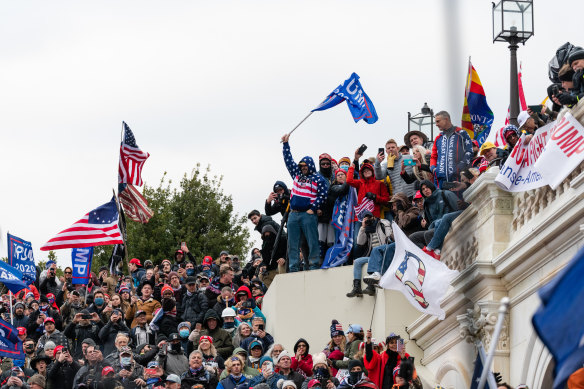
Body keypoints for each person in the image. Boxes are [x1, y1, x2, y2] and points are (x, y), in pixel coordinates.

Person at [281, 133, 329, 272]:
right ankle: (294, 267)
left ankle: (314, 265)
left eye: (305, 166)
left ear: (310, 165)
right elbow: (288, 161)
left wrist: (313, 209)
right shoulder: (296, 174)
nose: (303, 168)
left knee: (312, 241)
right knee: (293, 243)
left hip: (308, 214)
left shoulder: (317, 179)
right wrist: (286, 145)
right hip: (293, 214)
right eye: (301, 166)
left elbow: (323, 195)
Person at [430, 111, 473, 188]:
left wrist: (458, 168)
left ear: (446, 119)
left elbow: (469, 152)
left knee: (458, 200)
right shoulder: (438, 138)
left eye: (438, 121)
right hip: (441, 181)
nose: (436, 124)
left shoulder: (462, 133)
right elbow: (433, 156)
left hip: (458, 179)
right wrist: (433, 169)